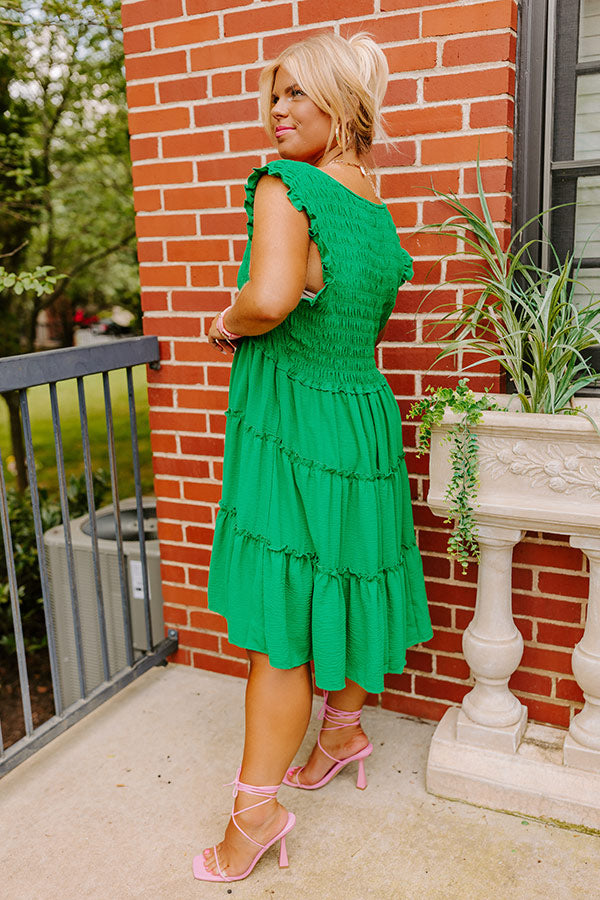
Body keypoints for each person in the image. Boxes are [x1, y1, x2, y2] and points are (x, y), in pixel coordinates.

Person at [194, 31, 433, 883]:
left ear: (342, 103)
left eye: (297, 92)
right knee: (354, 571)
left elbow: (269, 298)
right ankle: (342, 733)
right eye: (275, 93)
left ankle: (254, 816)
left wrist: (223, 324)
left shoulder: (284, 184)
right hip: (361, 415)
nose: (277, 109)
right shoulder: (372, 206)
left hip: (296, 419)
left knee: (280, 621)